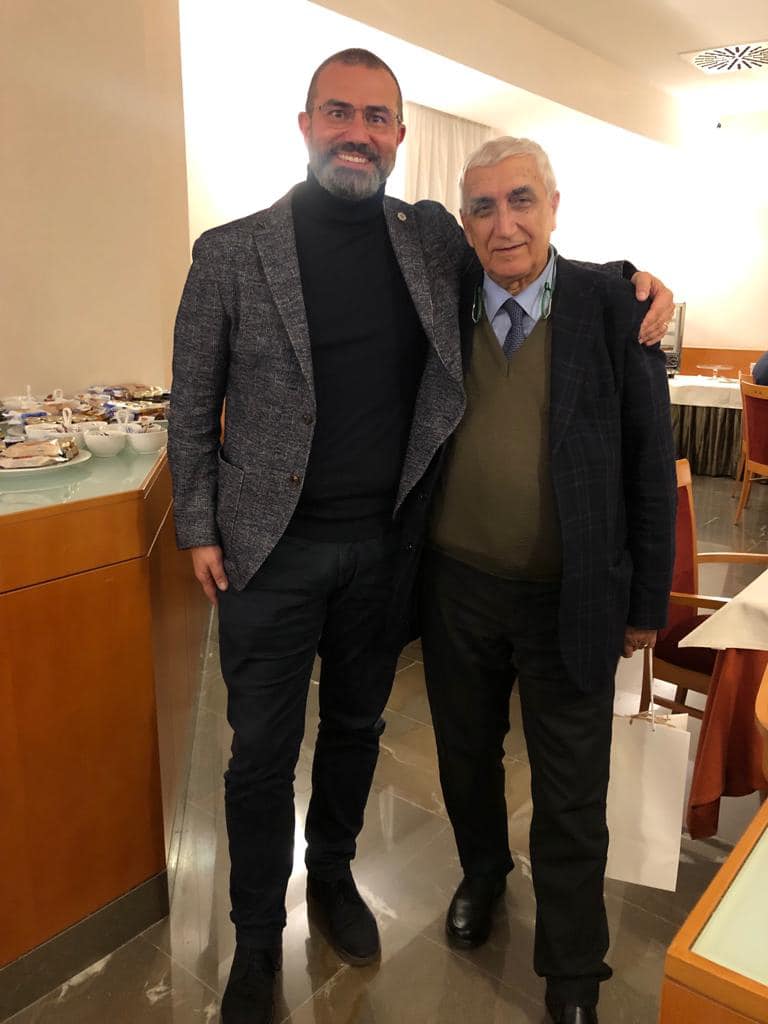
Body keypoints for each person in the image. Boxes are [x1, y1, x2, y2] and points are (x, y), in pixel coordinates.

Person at [168, 50, 673, 1024]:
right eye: (338, 113)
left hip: (386, 551)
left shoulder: (426, 237)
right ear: (307, 124)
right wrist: (198, 524)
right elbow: (192, 405)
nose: (357, 133)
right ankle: (256, 938)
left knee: (358, 730)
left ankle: (334, 877)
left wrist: (636, 281)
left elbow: (539, 267)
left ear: (399, 137)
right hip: (270, 554)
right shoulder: (230, 252)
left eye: (376, 117)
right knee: (260, 754)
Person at [410, 137, 677, 1024]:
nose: (505, 224)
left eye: (522, 200)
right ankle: (483, 874)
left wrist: (647, 603)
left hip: (573, 594)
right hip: (456, 588)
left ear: (554, 207)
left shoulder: (611, 307)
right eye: (483, 207)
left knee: (571, 791)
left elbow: (650, 464)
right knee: (465, 758)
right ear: (464, 224)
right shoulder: (440, 303)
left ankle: (572, 973)